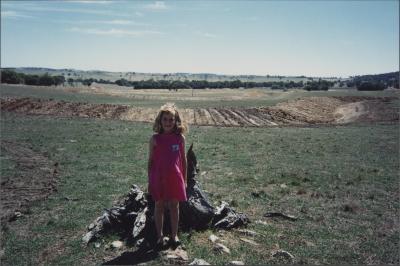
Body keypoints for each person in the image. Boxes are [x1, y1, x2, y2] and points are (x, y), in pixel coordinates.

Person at [148, 103, 188, 249]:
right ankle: (159, 236)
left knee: (174, 206)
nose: (168, 122)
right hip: (158, 178)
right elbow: (151, 161)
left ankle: (174, 235)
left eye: (171, 120)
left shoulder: (180, 138)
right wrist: (149, 180)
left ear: (176, 121)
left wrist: (185, 180)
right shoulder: (154, 139)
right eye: (165, 119)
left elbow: (183, 160)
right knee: (159, 206)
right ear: (160, 120)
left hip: (175, 179)